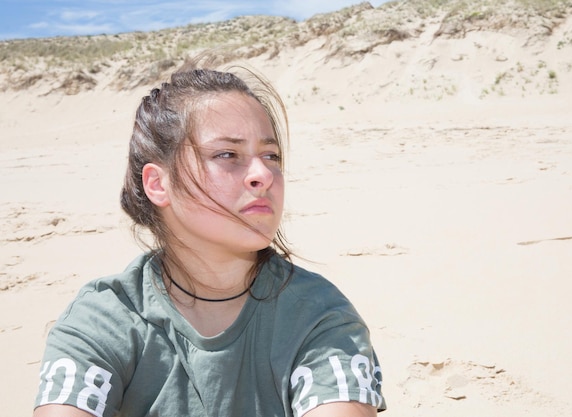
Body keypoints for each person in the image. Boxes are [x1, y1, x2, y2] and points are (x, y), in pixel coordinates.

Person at [32, 56, 386, 417]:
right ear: (158, 183)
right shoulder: (105, 318)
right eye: (227, 154)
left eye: (271, 155)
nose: (262, 174)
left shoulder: (317, 314)